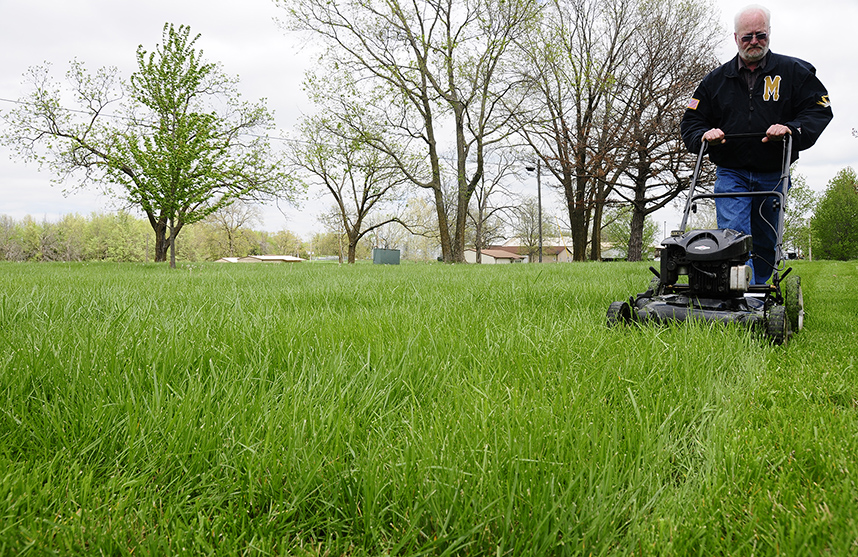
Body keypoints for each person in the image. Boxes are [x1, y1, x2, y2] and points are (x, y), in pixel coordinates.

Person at [680, 4, 832, 284]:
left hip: (773, 171)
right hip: (731, 171)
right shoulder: (715, 81)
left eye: (760, 35)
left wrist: (791, 128)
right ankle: (739, 293)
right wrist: (705, 135)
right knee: (733, 235)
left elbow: (819, 110)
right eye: (747, 37)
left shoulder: (795, 72)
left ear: (769, 34)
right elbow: (691, 122)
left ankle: (761, 291)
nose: (754, 42)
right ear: (735, 38)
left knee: (765, 236)